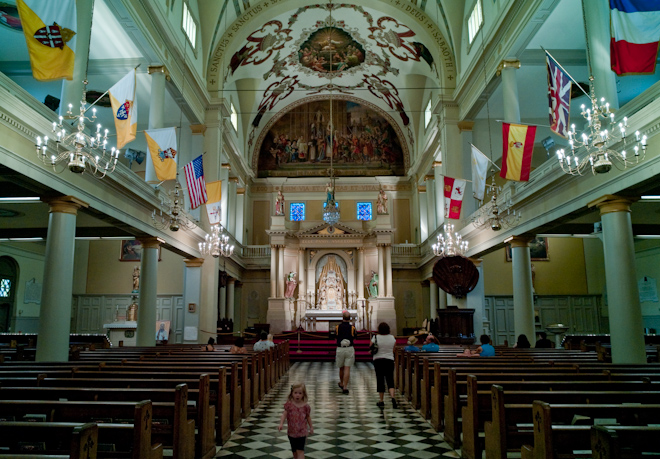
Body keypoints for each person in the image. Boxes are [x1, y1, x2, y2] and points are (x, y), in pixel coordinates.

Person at [278, 383, 313, 459]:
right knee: (294, 451)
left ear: (303, 394)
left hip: (302, 432)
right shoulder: (289, 405)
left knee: (300, 450)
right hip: (291, 432)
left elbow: (308, 417)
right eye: (295, 393)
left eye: (300, 393)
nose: (297, 395)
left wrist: (311, 427)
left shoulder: (306, 406)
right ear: (292, 394)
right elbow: (284, 414)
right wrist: (281, 424)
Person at [372, 322, 397, 409]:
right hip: (389, 360)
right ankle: (393, 397)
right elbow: (394, 349)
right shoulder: (392, 338)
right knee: (390, 379)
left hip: (378, 360)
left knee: (380, 379)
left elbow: (370, 346)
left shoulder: (375, 337)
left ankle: (381, 400)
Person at [335, 310, 356, 394]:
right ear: (349, 318)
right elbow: (354, 337)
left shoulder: (337, 327)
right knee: (347, 368)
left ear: (342, 317)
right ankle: (345, 387)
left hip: (340, 348)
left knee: (341, 368)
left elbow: (335, 336)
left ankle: (342, 383)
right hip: (349, 348)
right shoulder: (352, 327)